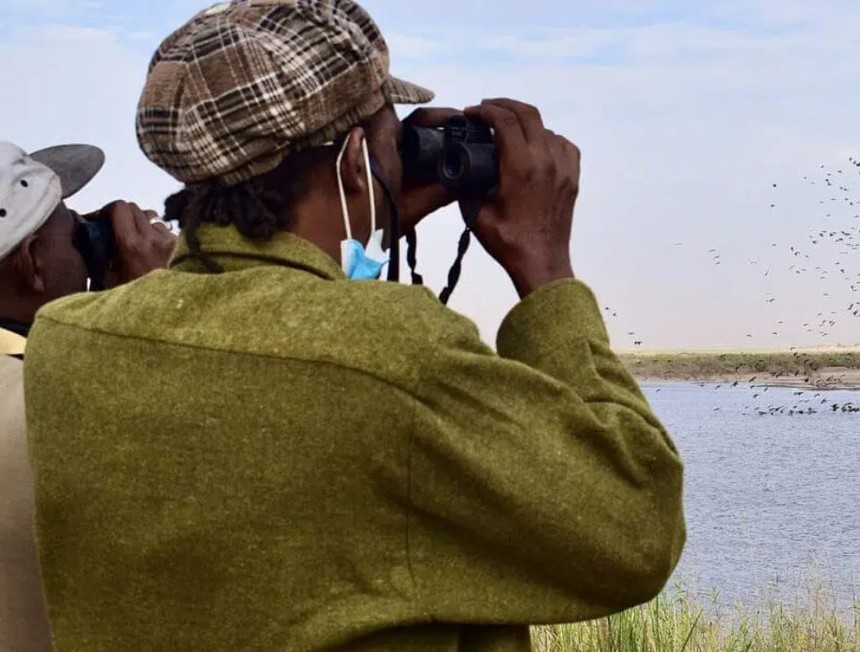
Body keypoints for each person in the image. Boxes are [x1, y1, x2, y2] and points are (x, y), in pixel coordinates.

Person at [23, 1, 686, 651]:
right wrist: (546, 271)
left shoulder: (68, 341)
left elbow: (279, 350)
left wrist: (374, 215)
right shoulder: (391, 350)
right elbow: (636, 532)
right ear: (350, 164)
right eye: (393, 141)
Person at [0, 141, 174, 652]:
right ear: (32, 262)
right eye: (76, 231)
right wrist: (159, 305)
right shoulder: (52, 408)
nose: (95, 242)